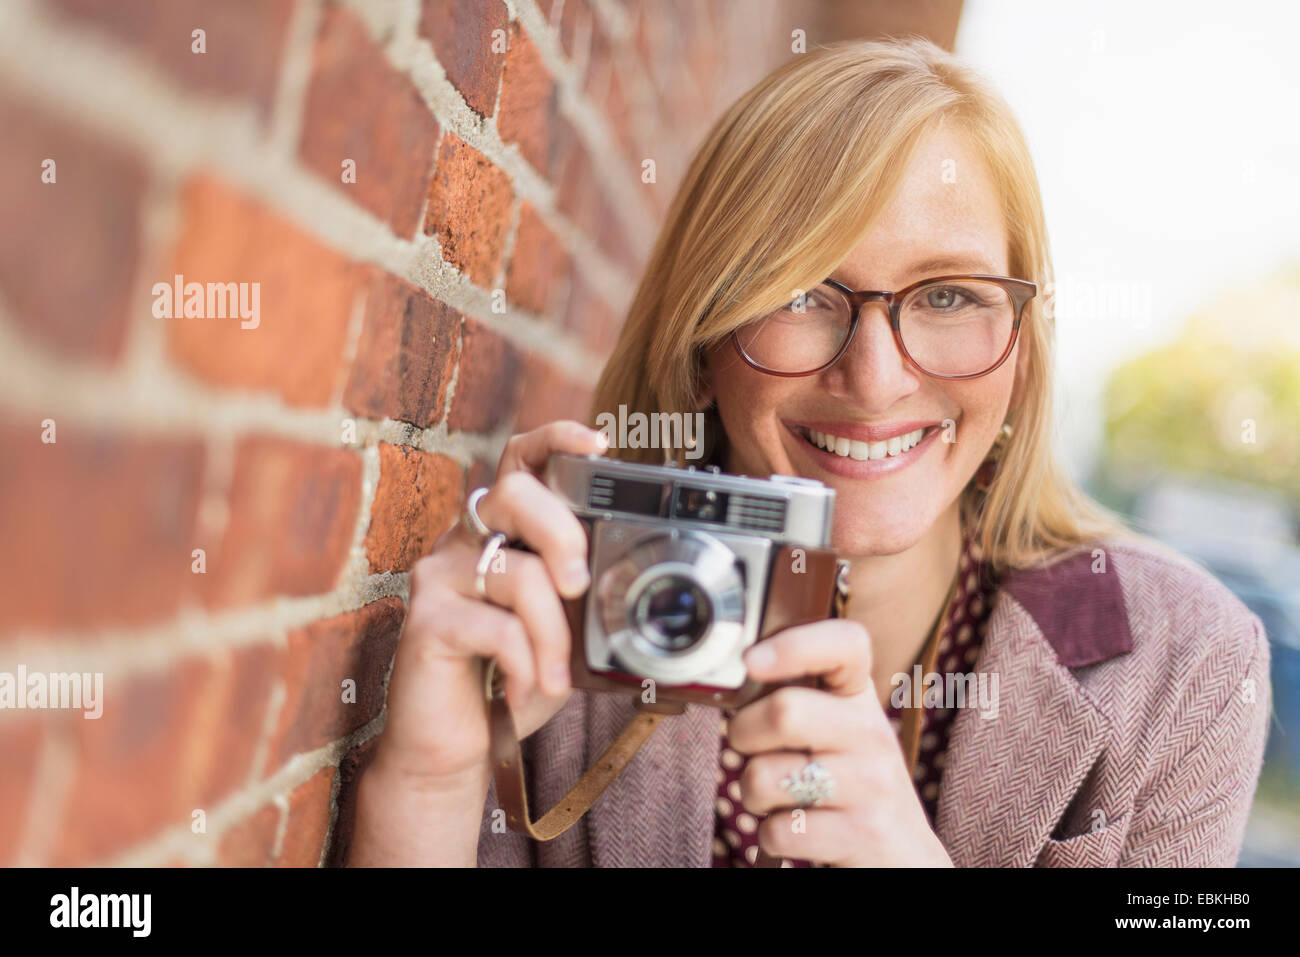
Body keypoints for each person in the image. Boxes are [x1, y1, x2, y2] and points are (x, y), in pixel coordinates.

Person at [347, 37, 1270, 867]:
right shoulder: (572, 609)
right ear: (700, 345)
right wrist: (428, 785)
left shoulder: (1185, 664)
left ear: (1023, 347)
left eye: (949, 296)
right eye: (800, 294)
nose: (875, 380)